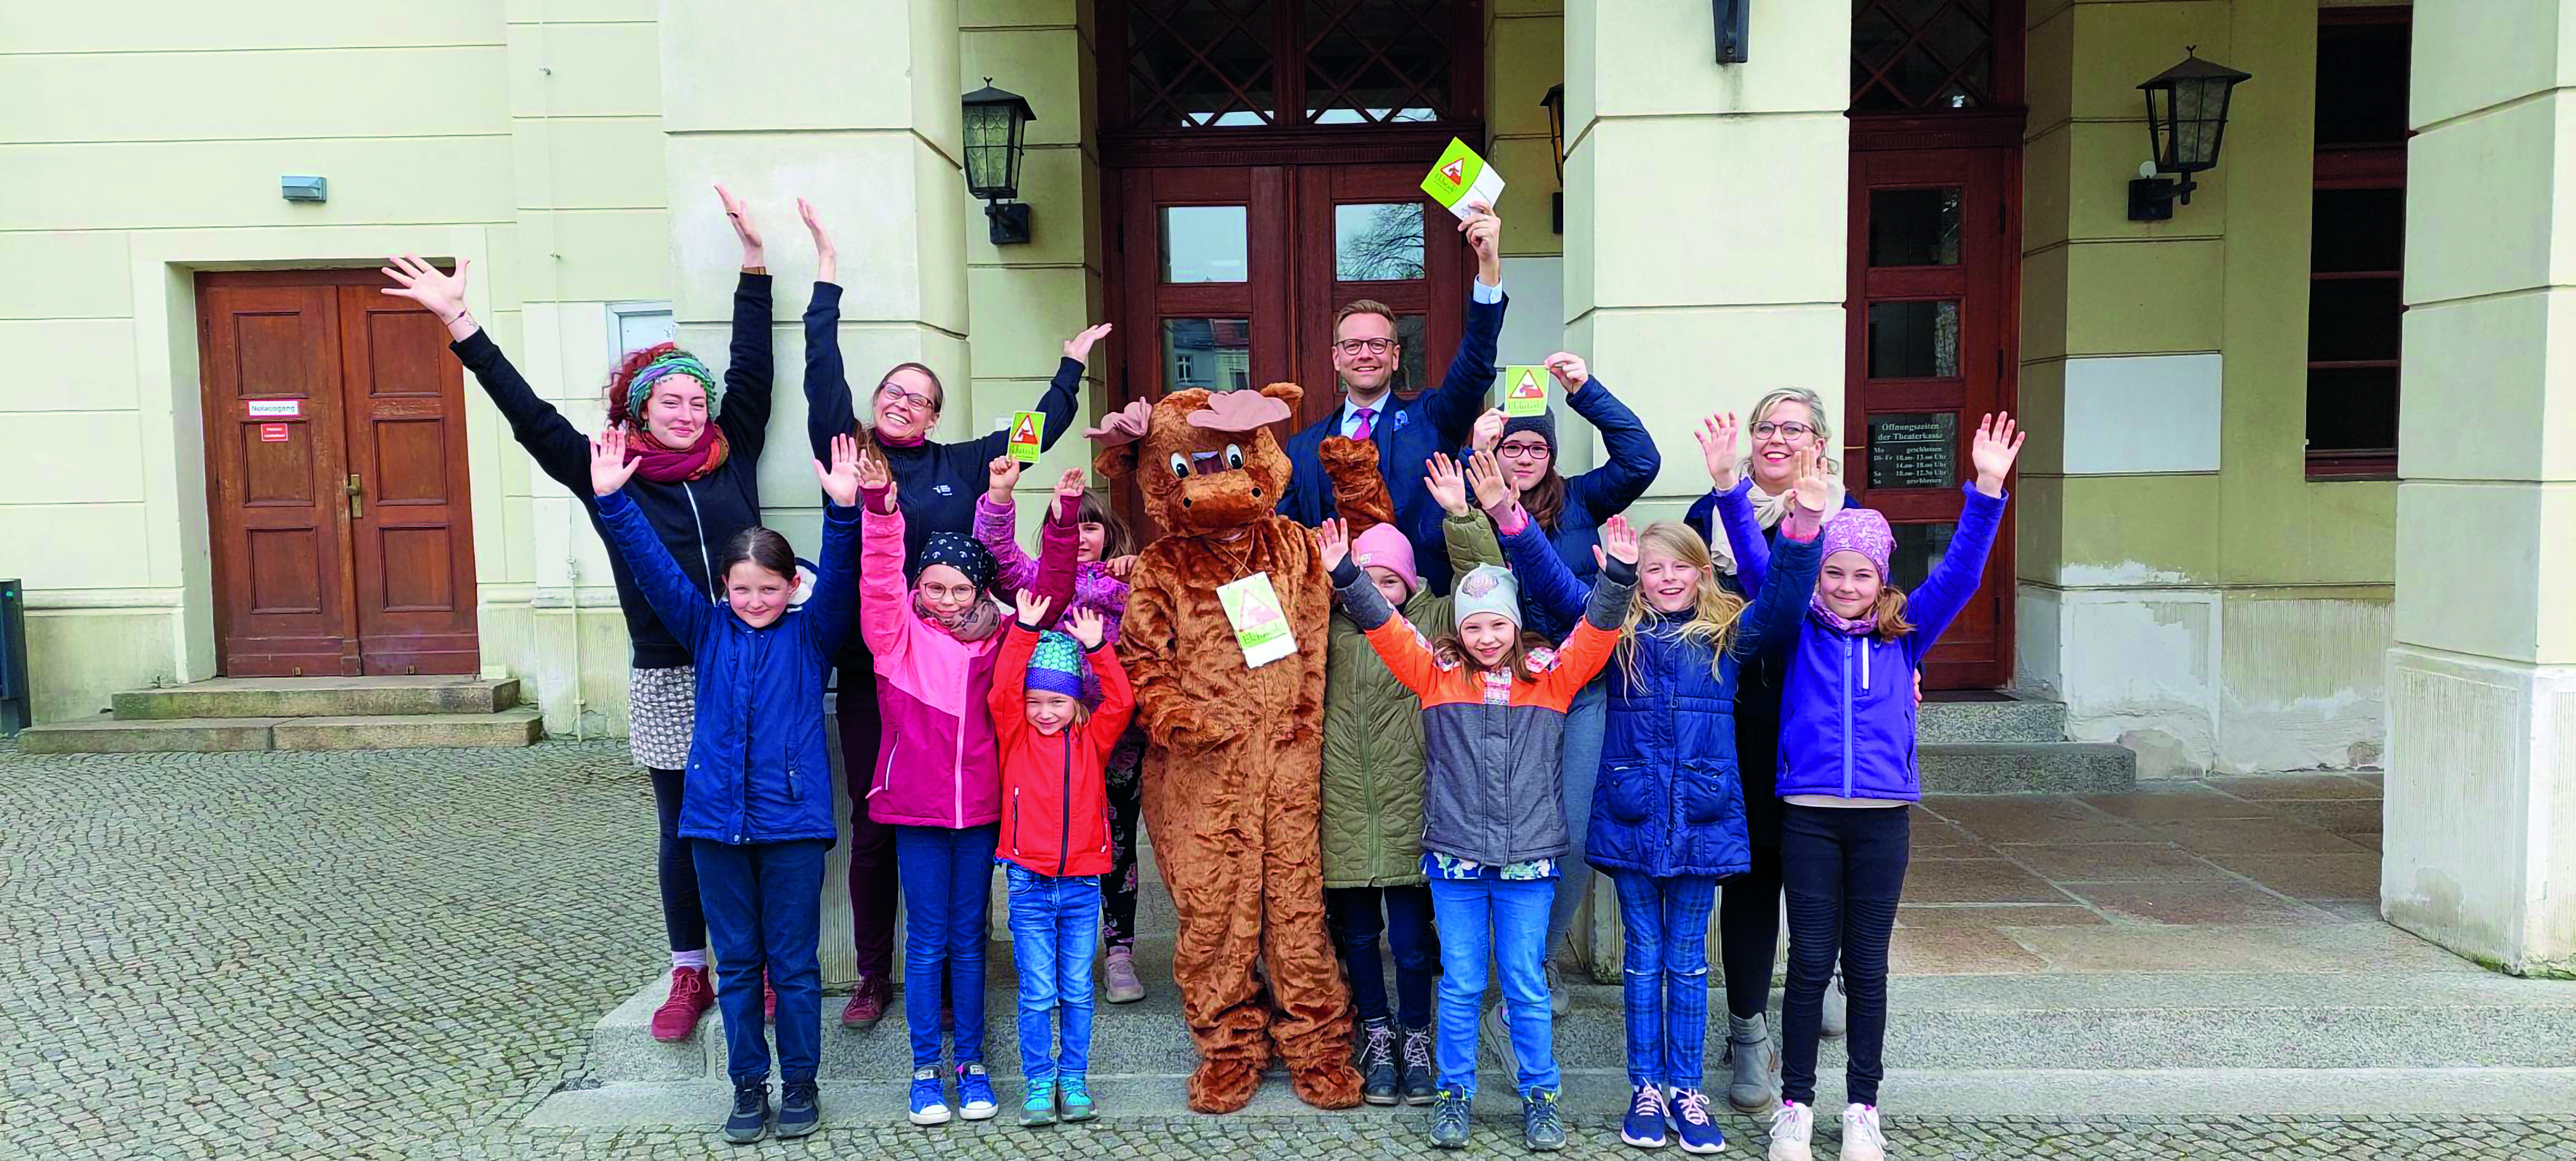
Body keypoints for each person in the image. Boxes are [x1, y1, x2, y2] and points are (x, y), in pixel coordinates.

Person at [377, 187, 774, 1044]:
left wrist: (754, 264)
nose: (687, 413)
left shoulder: (731, 450)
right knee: (683, 827)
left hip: (753, 667)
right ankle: (691, 969)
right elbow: (530, 420)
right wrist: (460, 325)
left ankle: (764, 964)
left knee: (758, 821)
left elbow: (752, 366)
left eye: (695, 401)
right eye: (669, 402)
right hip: (670, 669)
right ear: (639, 410)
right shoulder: (608, 473)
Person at [795, 200, 1110, 1027]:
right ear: (877, 401)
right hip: (877, 665)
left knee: (970, 813)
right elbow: (820, 377)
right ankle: (875, 971)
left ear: (935, 415)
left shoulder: (960, 463)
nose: (904, 402)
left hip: (967, 668)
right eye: (893, 391)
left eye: (920, 397)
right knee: (876, 823)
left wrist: (1069, 367)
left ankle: (961, 957)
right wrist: (826, 277)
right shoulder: (851, 453)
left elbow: (1036, 435)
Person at [1497, 433, 1830, 1155]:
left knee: (1688, 961)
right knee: (1643, 960)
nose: (1668, 578)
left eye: (1680, 566)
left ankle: (1687, 1089)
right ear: (1636, 577)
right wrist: (1507, 515)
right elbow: (1552, 584)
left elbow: (1784, 602)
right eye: (1653, 569)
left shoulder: (1727, 634)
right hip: (1634, 817)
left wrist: (1802, 523)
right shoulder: (1614, 634)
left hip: (1702, 821)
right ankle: (1645, 1087)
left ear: (1702, 572)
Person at [1716, 415, 2023, 1161]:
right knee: (1808, 962)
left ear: (1881, 579)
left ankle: (1862, 1108)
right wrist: (1727, 485)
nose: (1846, 585)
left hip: (1882, 821)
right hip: (1809, 817)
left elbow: (1962, 572)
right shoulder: (1797, 625)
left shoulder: (1907, 630)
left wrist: (1986, 488)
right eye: (1834, 571)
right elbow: (1758, 565)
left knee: (1866, 967)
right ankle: (1795, 1106)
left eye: (1861, 575)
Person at [1316, 515, 1635, 1154]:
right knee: (1461, 984)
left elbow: (1596, 634)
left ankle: (1540, 1095)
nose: (1486, 637)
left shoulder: (1550, 675)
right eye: (1472, 627)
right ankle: (1453, 1092)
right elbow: (1384, 626)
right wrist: (1346, 575)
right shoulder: (1434, 675)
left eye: (1496, 624)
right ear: (1457, 631)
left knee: (1524, 983)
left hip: (1527, 864)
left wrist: (1619, 579)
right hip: (1456, 860)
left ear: (1515, 624)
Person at [584, 427, 864, 1144]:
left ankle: (800, 1083)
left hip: (792, 827)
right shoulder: (705, 629)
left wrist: (844, 510)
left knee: (793, 968)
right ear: (724, 589)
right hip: (713, 826)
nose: (754, 599)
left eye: (768, 588)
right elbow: (652, 568)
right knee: (737, 967)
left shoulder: (812, 635)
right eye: (742, 588)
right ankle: (747, 1086)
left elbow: (842, 577)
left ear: (790, 588)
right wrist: (613, 502)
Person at [1457, 350, 1661, 1058]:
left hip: (1578, 690)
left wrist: (1585, 391)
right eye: (1511, 446)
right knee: (1494, 829)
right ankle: (1492, 965)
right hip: (1497, 696)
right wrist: (1475, 450)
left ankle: (1538, 961)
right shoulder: (1473, 495)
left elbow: (1640, 460)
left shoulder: (1580, 500)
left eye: (1535, 446)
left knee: (1570, 831)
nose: (1523, 457)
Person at [1686, 389, 1860, 1111]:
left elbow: (1875, 609)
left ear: (1820, 441)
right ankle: (1748, 1034)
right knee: (1753, 877)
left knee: (1824, 865)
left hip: (1822, 718)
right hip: (1745, 715)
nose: (1777, 439)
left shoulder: (1848, 516)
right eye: (1765, 426)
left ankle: (1825, 976)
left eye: (1794, 427)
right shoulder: (1709, 514)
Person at [1322, 454, 1506, 1106]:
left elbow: (1484, 583)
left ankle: (1415, 1036)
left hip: (1410, 803)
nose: (1375, 591)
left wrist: (1461, 516)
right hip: (1341, 802)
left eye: (1388, 580)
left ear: (1408, 582)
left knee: (1408, 939)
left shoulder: (1430, 622)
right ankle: (1375, 1035)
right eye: (1364, 578)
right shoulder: (1328, 628)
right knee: (1356, 936)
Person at [853, 444, 1013, 1127]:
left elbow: (1045, 591)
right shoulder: (895, 636)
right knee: (925, 942)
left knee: (968, 938)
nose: (946, 599)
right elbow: (878, 578)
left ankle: (971, 1064)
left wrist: (1057, 520)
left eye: (960, 589)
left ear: (979, 592)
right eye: (935, 586)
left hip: (978, 810)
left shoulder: (1000, 637)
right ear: (918, 587)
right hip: (916, 810)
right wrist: (880, 510)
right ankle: (924, 1070)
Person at [974, 460, 1150, 1003]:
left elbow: (1179, 593)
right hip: (1042, 743)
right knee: (1048, 840)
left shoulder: (1129, 585)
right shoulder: (1038, 581)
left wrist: (1143, 568)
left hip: (1112, 740)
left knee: (1116, 841)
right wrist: (999, 495)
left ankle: (1118, 951)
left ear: (1110, 535)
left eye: (1091, 526)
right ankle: (1049, 949)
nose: (1082, 537)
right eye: (1073, 526)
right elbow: (997, 554)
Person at [1276, 202, 1505, 595]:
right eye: (1353, 345)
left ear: (1395, 356)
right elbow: (1283, 541)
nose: (1365, 354)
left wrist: (1488, 266)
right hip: (1337, 615)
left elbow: (1474, 366)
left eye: (1378, 344)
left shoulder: (1431, 420)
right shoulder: (1302, 448)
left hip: (1420, 610)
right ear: (1336, 358)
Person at [989, 595, 1134, 1128]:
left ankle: (1073, 1080)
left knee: (1076, 990)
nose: (1044, 712)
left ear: (1076, 702)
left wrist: (1098, 648)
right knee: (1037, 992)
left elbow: (1122, 701)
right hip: (1028, 882)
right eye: (1035, 701)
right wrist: (1024, 631)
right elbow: (1002, 689)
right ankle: (1037, 1083)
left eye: (1056, 701)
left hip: (1080, 884)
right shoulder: (1014, 734)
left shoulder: (1092, 740)